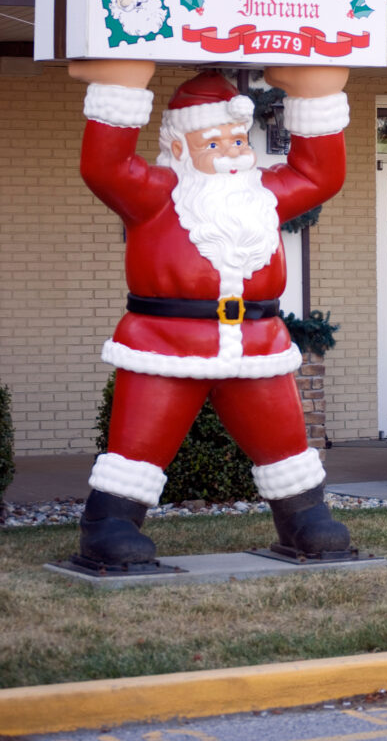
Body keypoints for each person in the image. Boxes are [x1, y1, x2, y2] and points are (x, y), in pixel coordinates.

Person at [68, 58, 351, 565]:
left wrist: (315, 96)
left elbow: (321, 172)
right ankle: (109, 523)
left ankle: (304, 517)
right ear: (179, 148)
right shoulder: (155, 194)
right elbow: (104, 167)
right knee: (138, 444)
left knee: (284, 441)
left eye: (238, 142)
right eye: (213, 144)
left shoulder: (264, 194)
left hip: (256, 343)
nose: (232, 155)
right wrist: (121, 86)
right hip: (165, 342)